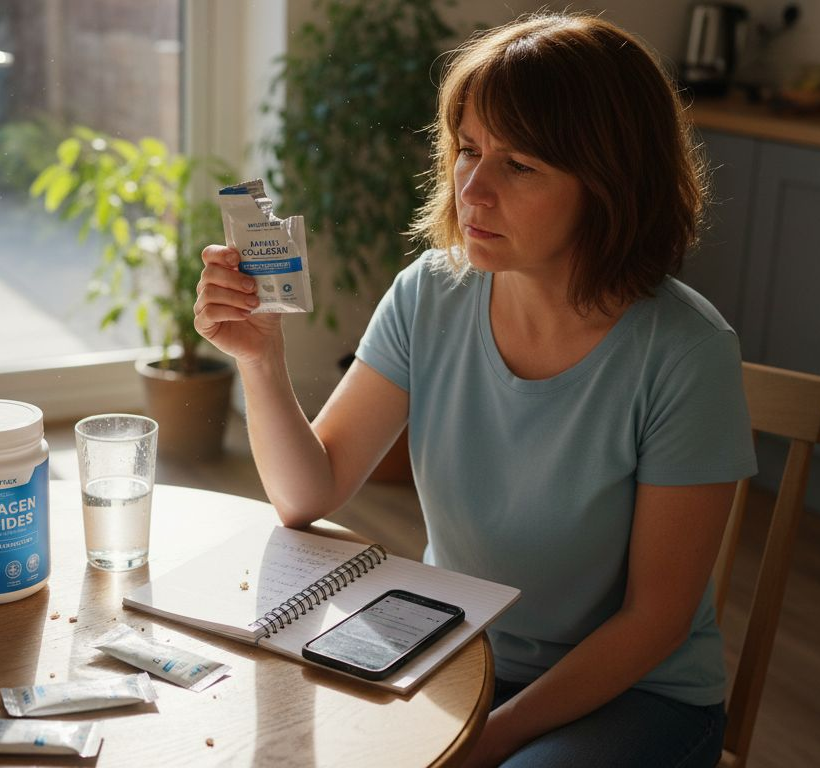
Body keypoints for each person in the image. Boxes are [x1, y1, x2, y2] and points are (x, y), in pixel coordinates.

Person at [194, 12, 756, 767]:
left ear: (612, 182)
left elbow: (654, 622)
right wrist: (260, 360)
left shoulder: (687, 355)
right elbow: (308, 492)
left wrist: (488, 740)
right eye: (467, 150)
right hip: (457, 647)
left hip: (636, 694)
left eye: (519, 165)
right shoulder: (431, 294)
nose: (472, 189)